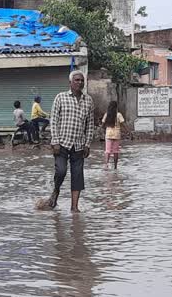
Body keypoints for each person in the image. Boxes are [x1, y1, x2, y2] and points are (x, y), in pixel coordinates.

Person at [47, 70, 95, 213]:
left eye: (82, 80)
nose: (80, 82)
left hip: (79, 145)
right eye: (77, 80)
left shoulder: (89, 101)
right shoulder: (60, 97)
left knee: (78, 176)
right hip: (61, 142)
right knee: (61, 171)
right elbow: (53, 120)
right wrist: (55, 141)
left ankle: (74, 207)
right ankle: (56, 190)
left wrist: (87, 144)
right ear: (70, 83)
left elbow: (90, 125)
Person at [102, 100, 125, 169]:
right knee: (116, 151)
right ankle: (115, 167)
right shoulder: (119, 115)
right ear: (116, 107)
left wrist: (104, 129)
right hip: (116, 135)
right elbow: (123, 124)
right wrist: (128, 132)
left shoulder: (107, 114)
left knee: (107, 150)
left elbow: (103, 124)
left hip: (108, 134)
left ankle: (106, 165)